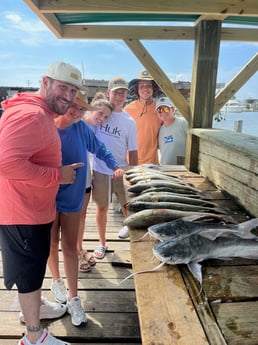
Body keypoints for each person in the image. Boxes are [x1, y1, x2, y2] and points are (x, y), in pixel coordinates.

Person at [0, 61, 86, 345]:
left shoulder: (40, 113)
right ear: (45, 82)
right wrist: (57, 175)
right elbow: (6, 164)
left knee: (35, 265)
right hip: (23, 212)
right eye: (64, 87)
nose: (69, 96)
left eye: (73, 91)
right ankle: (34, 335)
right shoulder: (32, 116)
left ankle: (36, 308)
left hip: (32, 208)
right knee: (28, 270)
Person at [48, 92, 124, 327]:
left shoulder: (82, 128)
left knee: (70, 247)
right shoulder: (46, 126)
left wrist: (115, 165)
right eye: (73, 106)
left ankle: (74, 298)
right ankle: (56, 281)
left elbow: (101, 149)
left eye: (82, 109)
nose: (77, 112)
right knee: (51, 243)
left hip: (73, 199)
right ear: (63, 104)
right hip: (47, 197)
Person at [92, 77, 138, 256]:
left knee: (128, 206)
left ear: (127, 94)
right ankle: (102, 243)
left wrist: (133, 174)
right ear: (108, 93)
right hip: (100, 171)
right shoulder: (101, 114)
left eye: (123, 92)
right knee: (101, 208)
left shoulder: (130, 122)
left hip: (121, 171)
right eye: (116, 92)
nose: (119, 96)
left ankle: (132, 232)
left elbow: (133, 151)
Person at [77, 98, 114, 272]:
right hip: (65, 180)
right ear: (91, 108)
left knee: (81, 216)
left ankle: (78, 248)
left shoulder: (94, 127)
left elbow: (100, 149)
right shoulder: (75, 121)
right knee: (67, 220)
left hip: (84, 178)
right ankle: (74, 252)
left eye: (106, 117)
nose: (102, 119)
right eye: (100, 113)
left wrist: (116, 165)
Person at [125, 69, 162, 165]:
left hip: (153, 163)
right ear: (137, 89)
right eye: (141, 86)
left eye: (149, 86)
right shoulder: (128, 109)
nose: (145, 89)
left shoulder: (160, 109)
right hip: (131, 162)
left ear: (154, 88)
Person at [156, 97, 188, 165]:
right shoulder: (161, 130)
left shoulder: (183, 124)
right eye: (159, 110)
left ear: (173, 109)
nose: (163, 112)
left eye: (166, 109)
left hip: (181, 170)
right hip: (165, 170)